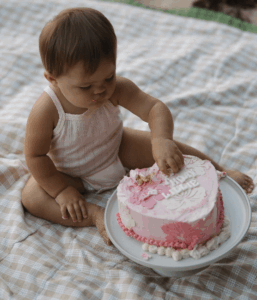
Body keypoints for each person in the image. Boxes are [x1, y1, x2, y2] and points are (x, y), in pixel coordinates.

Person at [21, 7, 254, 246]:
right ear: (52, 79)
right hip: (72, 175)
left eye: (108, 77)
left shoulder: (117, 89)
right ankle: (93, 215)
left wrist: (161, 141)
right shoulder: (46, 110)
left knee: (171, 149)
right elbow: (35, 155)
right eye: (85, 87)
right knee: (32, 196)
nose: (100, 90)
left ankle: (219, 173)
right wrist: (60, 191)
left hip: (116, 150)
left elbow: (155, 108)